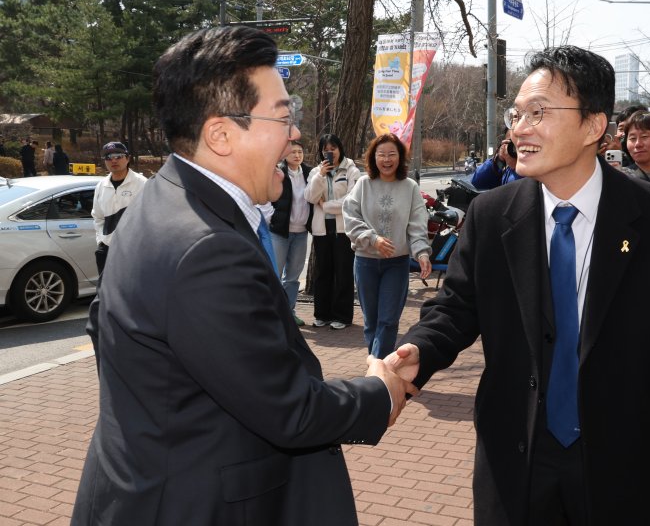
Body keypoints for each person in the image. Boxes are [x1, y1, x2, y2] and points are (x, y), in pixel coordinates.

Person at [71, 26, 414, 526]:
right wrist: (380, 391)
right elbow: (289, 410)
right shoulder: (207, 248)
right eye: (282, 117)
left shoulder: (160, 199)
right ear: (220, 134)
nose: (295, 134)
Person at [386, 45, 650, 526]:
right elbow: (457, 309)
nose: (519, 128)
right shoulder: (491, 213)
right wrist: (420, 350)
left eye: (538, 113)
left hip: (624, 464)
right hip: (516, 459)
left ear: (593, 126)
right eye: (516, 114)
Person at [343, 133, 432, 358]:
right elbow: (350, 217)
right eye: (381, 154)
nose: (386, 159)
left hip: (397, 264)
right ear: (373, 158)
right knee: (371, 322)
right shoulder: (363, 184)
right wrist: (373, 239)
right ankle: (378, 366)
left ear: (400, 157)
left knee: (388, 320)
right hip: (366, 262)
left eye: (392, 154)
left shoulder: (410, 187)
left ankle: (377, 373)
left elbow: (417, 224)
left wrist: (421, 252)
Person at [304, 133, 360, 330]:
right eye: (325, 150)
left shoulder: (351, 170)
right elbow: (310, 197)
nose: (330, 153)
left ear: (340, 149)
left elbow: (351, 201)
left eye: (333, 149)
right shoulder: (315, 173)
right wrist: (320, 175)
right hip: (321, 230)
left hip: (343, 230)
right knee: (323, 273)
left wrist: (326, 205)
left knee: (343, 273)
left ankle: (342, 316)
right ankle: (322, 314)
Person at [259, 140, 312, 326]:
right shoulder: (277, 172)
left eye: (300, 151)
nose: (297, 155)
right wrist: (272, 217)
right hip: (280, 233)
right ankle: (273, 313)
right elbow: (264, 197)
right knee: (274, 273)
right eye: (293, 152)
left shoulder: (310, 173)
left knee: (293, 278)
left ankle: (289, 312)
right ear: (284, 154)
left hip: (301, 233)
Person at [90, 141, 147, 275]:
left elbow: (151, 218)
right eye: (108, 157)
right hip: (107, 250)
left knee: (132, 293)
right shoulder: (101, 186)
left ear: (128, 158)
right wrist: (101, 241)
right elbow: (97, 217)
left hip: (133, 251)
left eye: (118, 156)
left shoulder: (142, 184)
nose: (113, 160)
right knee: (106, 293)